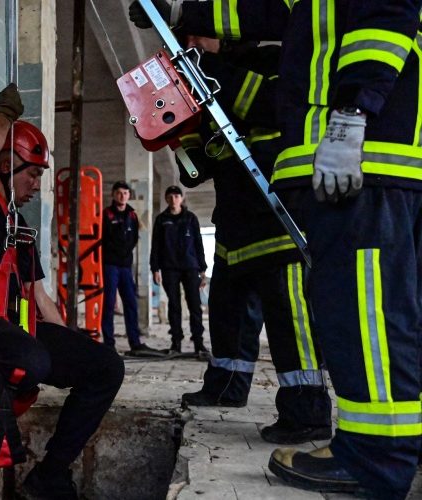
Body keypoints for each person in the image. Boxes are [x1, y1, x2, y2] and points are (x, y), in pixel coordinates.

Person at [136, 0, 422, 497]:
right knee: (370, 313)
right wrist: (184, 13)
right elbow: (265, 8)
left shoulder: (263, 63)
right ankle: (381, 449)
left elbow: (382, 14)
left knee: (365, 314)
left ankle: (373, 455)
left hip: (364, 155)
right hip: (343, 169)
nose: (192, 49)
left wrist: (351, 114)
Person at [0, 84, 125, 500]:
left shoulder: (19, 229)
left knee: (105, 366)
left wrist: (72, 345)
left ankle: (50, 474)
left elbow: (39, 297)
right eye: (32, 173)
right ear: (6, 164)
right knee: (31, 360)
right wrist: (5, 114)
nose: (37, 185)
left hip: (13, 333)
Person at [167, 38, 331, 445]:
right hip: (233, 229)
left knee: (289, 322)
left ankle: (306, 411)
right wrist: (174, 129)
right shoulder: (204, 87)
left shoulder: (275, 60)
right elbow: (194, 172)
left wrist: (205, 72)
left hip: (279, 221)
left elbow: (268, 106)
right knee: (227, 316)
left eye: (196, 36)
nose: (190, 45)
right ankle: (226, 386)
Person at [150, 185, 208, 355]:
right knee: (174, 306)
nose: (173, 199)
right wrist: (155, 268)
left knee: (194, 305)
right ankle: (176, 342)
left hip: (190, 267)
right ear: (166, 199)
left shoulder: (191, 218)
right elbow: (156, 246)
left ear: (182, 199)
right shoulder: (161, 220)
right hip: (169, 268)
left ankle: (198, 342)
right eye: (170, 196)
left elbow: (198, 243)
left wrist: (202, 268)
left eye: (176, 196)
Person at [100, 180, 156, 355]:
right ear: (113, 195)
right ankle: (109, 343)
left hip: (125, 266)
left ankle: (135, 343)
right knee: (109, 304)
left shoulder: (132, 216)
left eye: (125, 193)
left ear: (129, 196)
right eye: (119, 193)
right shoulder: (106, 214)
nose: (122, 196)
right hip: (110, 265)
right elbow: (102, 239)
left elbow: (134, 239)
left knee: (131, 303)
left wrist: (125, 255)